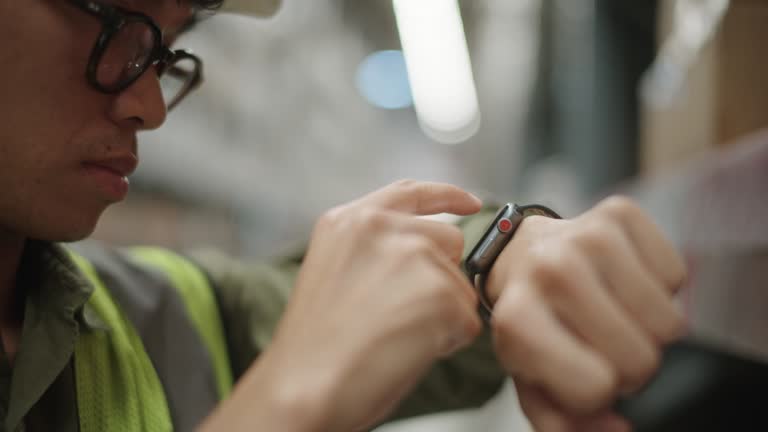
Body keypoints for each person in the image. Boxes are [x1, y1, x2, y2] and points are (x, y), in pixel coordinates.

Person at [0, 0, 686, 431]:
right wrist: (288, 406)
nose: (147, 105)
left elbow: (408, 289)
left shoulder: (151, 313)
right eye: (111, 19)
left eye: (163, 51)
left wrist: (518, 247)